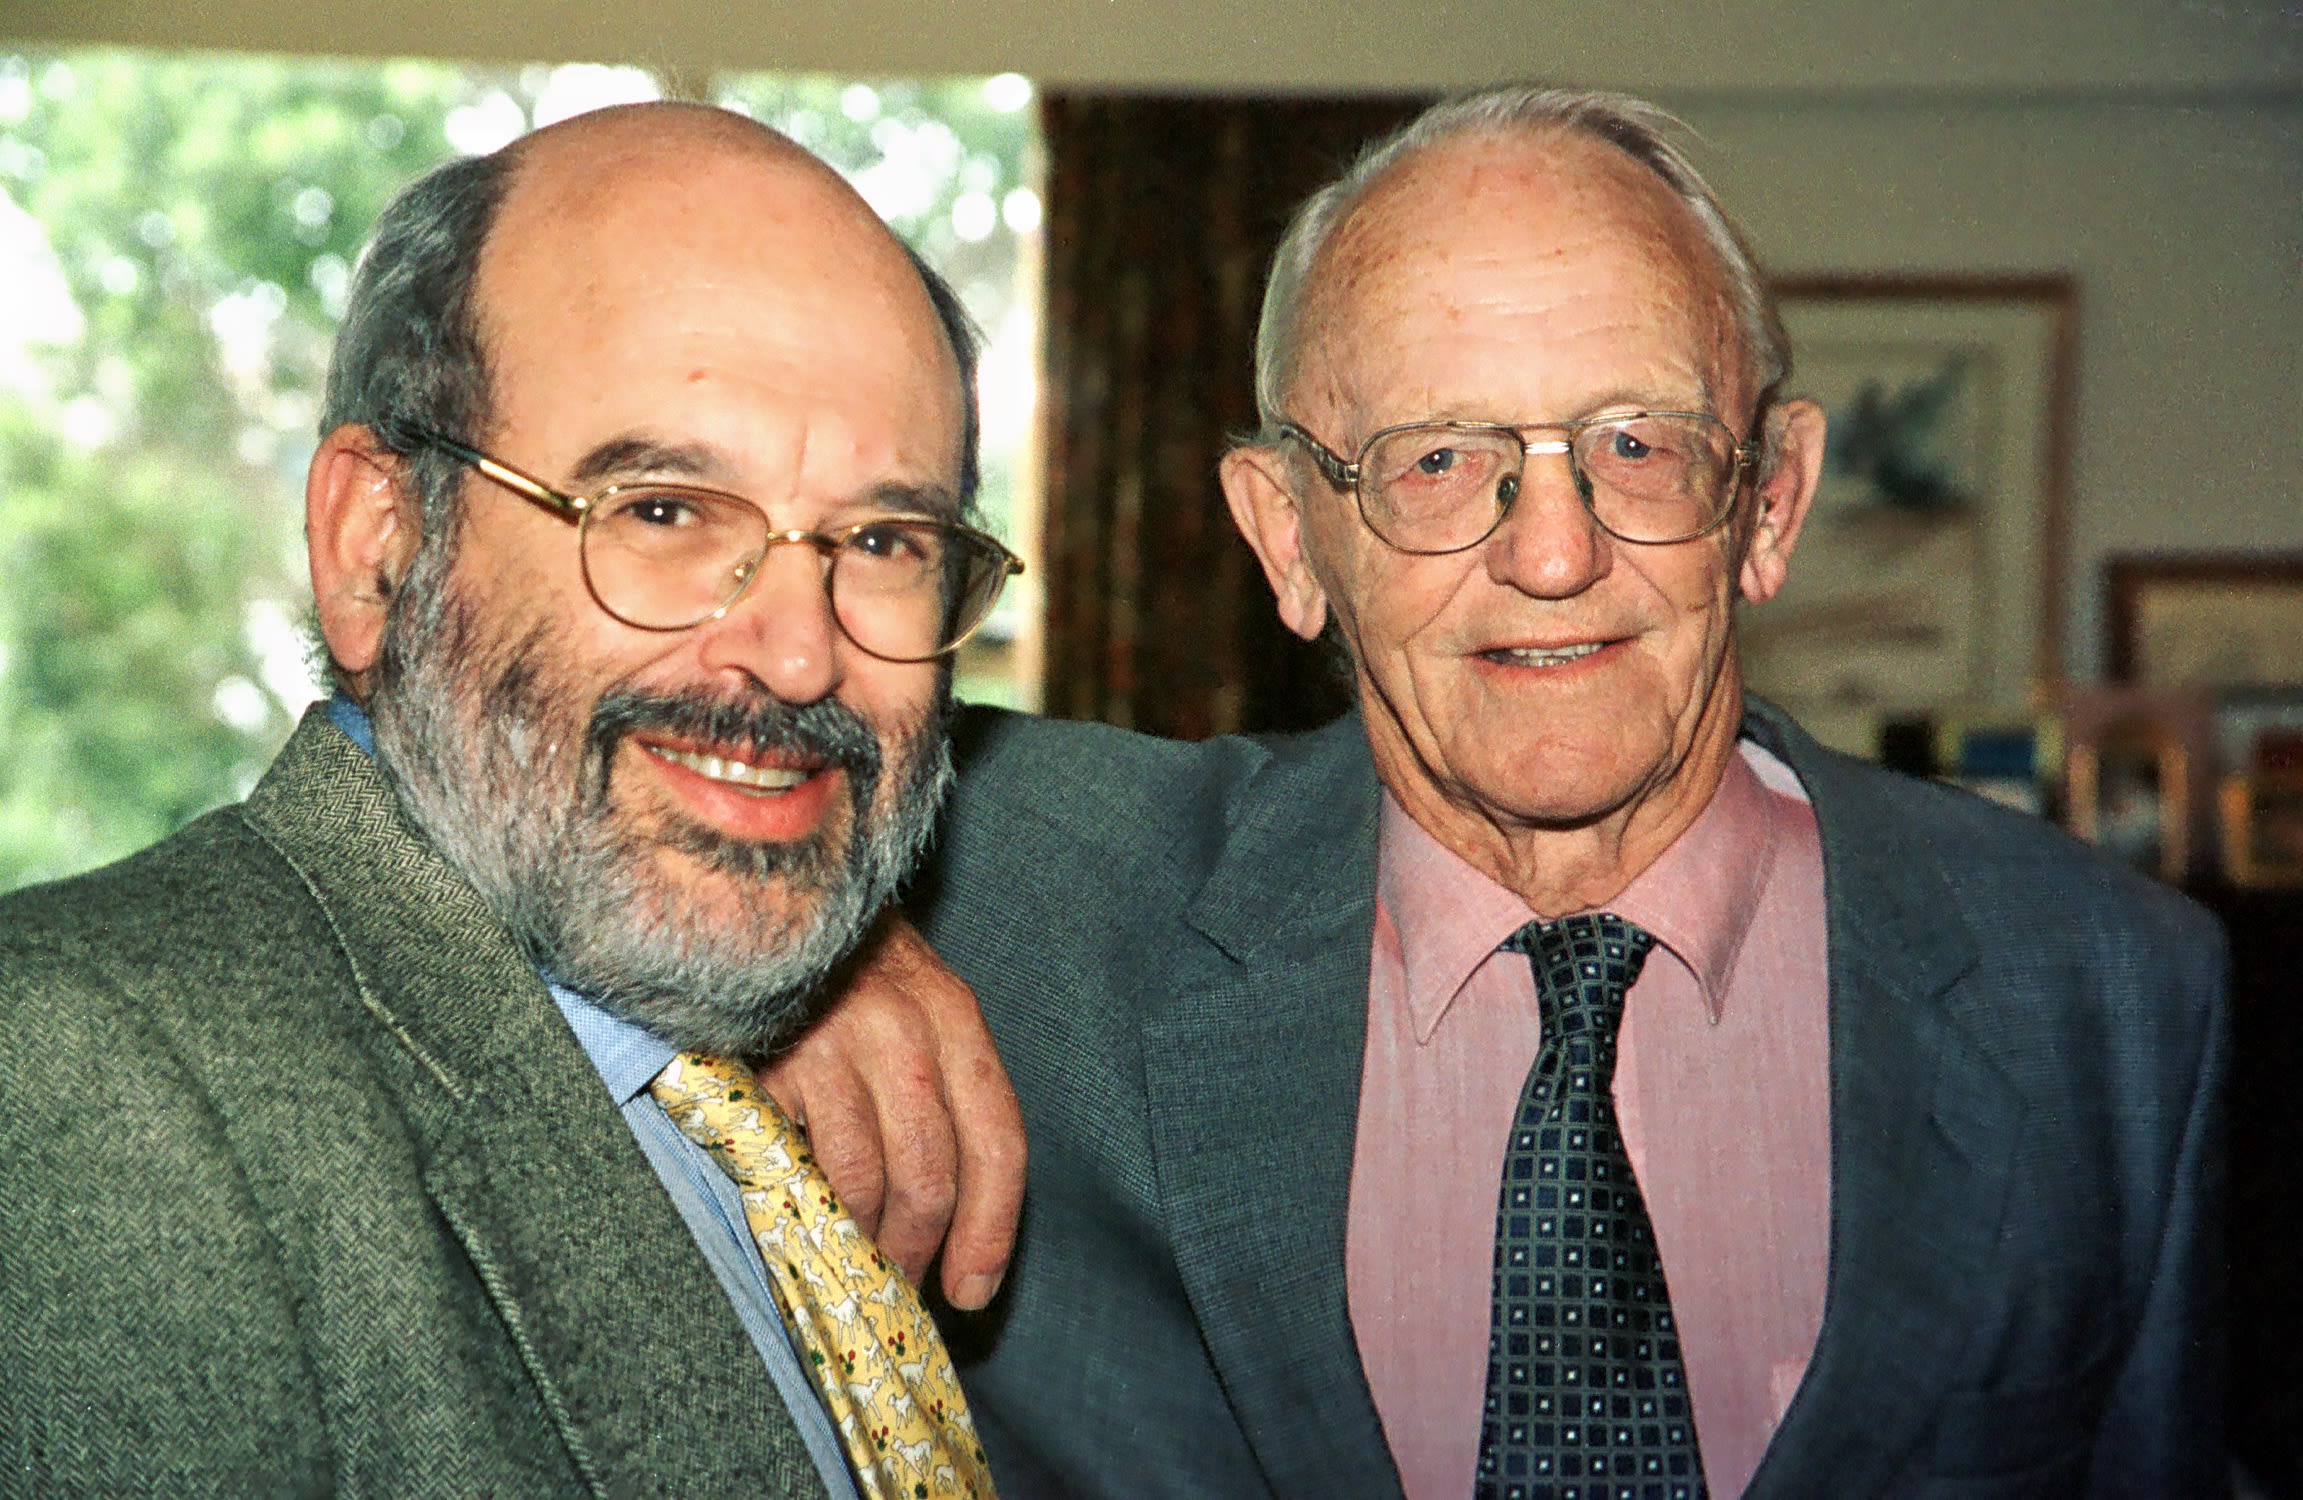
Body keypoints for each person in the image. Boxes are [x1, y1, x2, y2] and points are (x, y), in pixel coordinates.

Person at [919, 87, 2228, 1498]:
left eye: (1637, 445)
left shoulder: (2104, 990)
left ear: (1770, 502)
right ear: (1289, 537)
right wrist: (815, 974)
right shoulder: (1014, 891)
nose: (1553, 554)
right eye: (1437, 460)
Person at [0, 102, 1025, 1498]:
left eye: (886, 539)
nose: (799, 651)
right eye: (663, 510)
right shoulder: (89, 1085)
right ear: (376, 544)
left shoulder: (812, 1080)